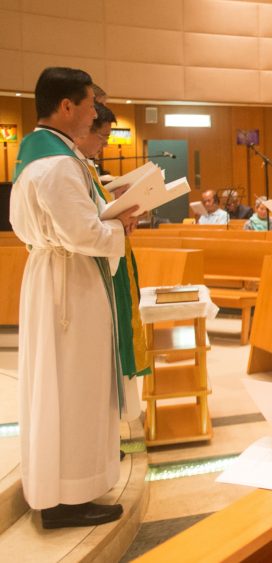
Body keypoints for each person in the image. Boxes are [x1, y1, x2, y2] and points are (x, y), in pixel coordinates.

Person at [10, 66, 139, 529]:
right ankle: (67, 497)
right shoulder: (59, 164)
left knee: (64, 385)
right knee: (75, 387)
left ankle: (65, 487)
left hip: (59, 275)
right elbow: (83, 232)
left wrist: (108, 217)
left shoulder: (35, 155)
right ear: (66, 107)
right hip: (71, 284)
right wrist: (118, 223)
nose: (93, 115)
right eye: (88, 105)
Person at [75, 101, 151, 426]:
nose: (105, 144)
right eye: (102, 136)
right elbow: (83, 224)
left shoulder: (87, 166)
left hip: (114, 258)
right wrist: (118, 214)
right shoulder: (69, 166)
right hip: (94, 267)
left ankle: (114, 423)